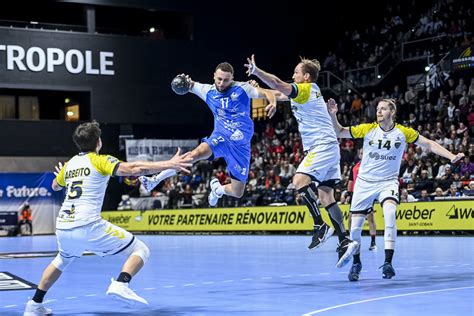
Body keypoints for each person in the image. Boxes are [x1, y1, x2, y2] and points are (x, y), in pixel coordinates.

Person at [24, 121, 193, 315]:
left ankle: (34, 305)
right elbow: (134, 169)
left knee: (61, 260)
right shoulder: (100, 160)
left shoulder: (70, 165)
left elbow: (55, 185)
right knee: (140, 250)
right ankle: (121, 284)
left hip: (63, 226)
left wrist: (61, 177)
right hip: (87, 224)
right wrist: (169, 164)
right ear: (99, 142)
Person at [327, 98, 464, 281]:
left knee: (390, 215)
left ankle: (388, 263)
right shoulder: (368, 129)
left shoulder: (403, 132)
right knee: (355, 229)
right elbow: (339, 131)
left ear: (392, 112)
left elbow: (429, 144)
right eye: (377, 109)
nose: (379, 111)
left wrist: (451, 156)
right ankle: (356, 263)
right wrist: (333, 115)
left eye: (383, 109)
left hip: (388, 182)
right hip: (365, 183)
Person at [244, 54, 358, 268]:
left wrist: (257, 71)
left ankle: (319, 226)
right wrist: (255, 87)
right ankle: (344, 240)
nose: (293, 75)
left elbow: (278, 84)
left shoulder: (306, 89)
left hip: (321, 146)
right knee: (326, 195)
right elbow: (275, 93)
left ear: (306, 76)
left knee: (298, 181)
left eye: (296, 72)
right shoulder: (305, 93)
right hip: (330, 147)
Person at [139, 62, 276, 207]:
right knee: (193, 155)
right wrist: (184, 80)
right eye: (219, 79)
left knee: (237, 192)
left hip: (240, 147)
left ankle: (218, 189)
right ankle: (155, 179)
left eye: (226, 80)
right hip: (220, 138)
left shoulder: (243, 88)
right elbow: (189, 84)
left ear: (232, 78)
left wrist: (273, 102)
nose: (222, 83)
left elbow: (268, 92)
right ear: (214, 76)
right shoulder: (207, 90)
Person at [347, 150, 377, 251]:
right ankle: (350, 240)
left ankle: (373, 242)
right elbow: (350, 182)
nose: (361, 154)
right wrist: (349, 194)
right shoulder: (354, 166)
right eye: (360, 153)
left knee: (370, 218)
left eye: (363, 153)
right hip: (356, 196)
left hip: (367, 194)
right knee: (350, 218)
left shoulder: (370, 166)